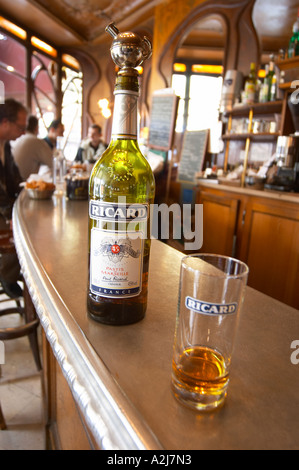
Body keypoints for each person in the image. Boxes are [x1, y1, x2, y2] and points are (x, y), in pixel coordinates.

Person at [0, 98, 27, 298]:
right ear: (4, 123)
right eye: (20, 127)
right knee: (16, 233)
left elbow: (15, 178)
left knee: (26, 225)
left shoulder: (6, 146)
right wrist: (10, 213)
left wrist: (26, 190)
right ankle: (6, 275)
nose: (23, 132)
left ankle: (13, 272)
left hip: (5, 206)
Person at [12, 115, 53, 180]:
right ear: (36, 128)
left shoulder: (16, 139)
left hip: (14, 183)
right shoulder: (36, 141)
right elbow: (54, 163)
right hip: (22, 184)